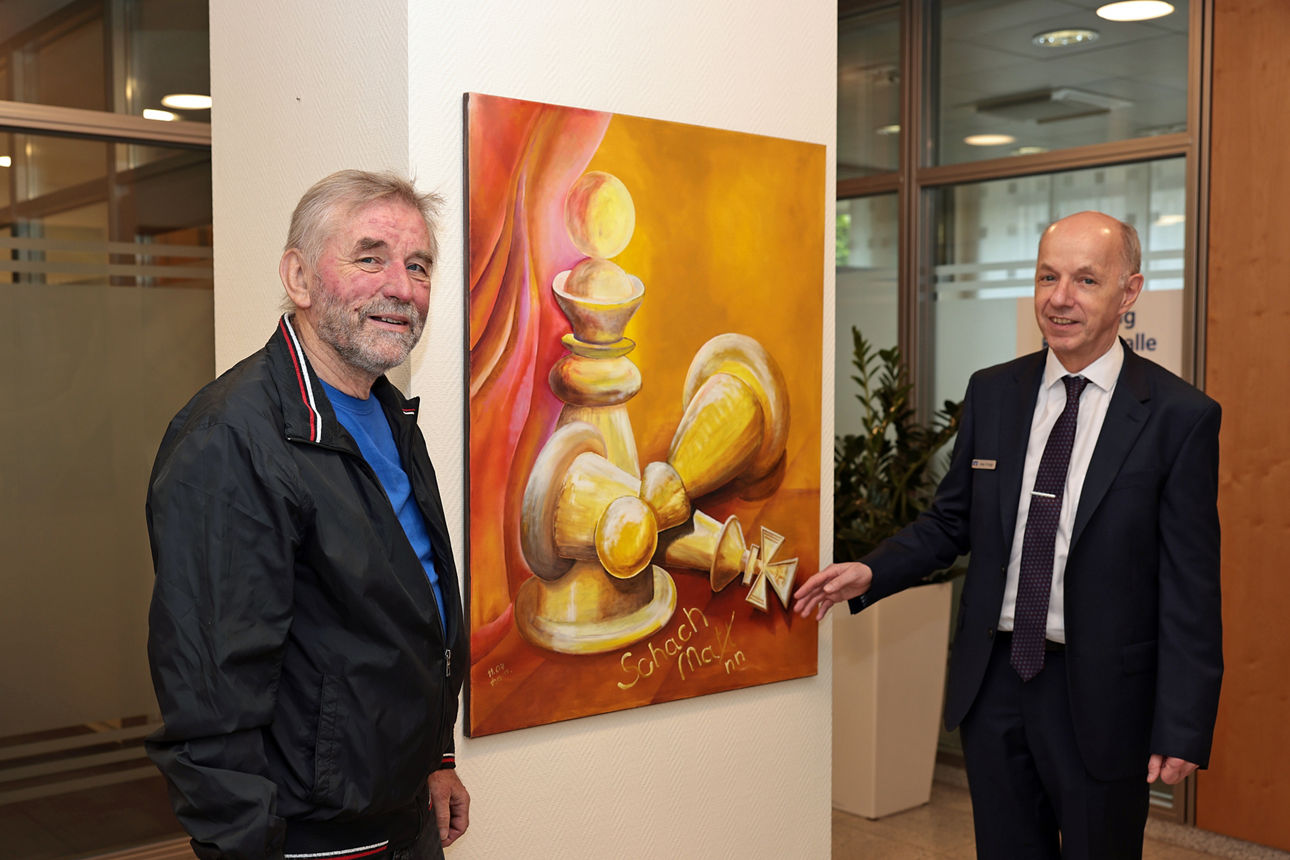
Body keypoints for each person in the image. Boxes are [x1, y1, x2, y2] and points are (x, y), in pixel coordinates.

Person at [796, 211, 1222, 860]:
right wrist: (873, 571)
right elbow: (953, 520)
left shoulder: (1178, 417)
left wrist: (1183, 723)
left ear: (1128, 293)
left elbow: (1191, 585)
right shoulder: (995, 392)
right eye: (1047, 276)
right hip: (996, 682)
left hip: (1104, 696)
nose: (1060, 297)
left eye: (1085, 280)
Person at [146, 170, 468, 860]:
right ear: (298, 277)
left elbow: (406, 617)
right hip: (310, 835)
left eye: (418, 266)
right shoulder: (230, 438)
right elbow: (211, 694)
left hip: (400, 810)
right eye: (370, 256)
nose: (402, 287)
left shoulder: (386, 412)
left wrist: (434, 760)